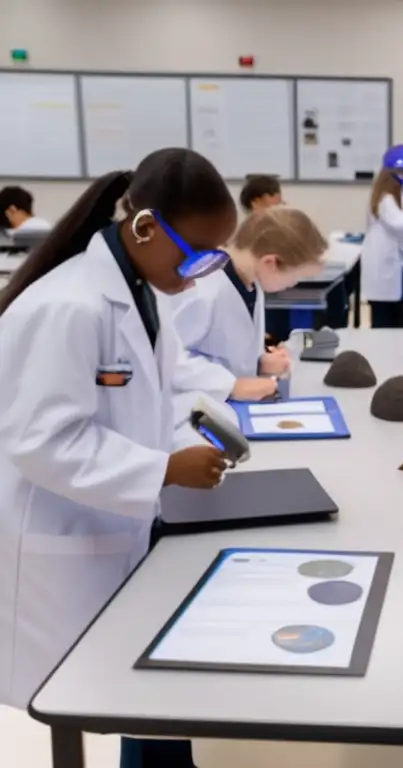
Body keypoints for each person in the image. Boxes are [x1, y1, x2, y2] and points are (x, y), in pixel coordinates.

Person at [0, 148, 238, 768]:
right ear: (145, 227)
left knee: (140, 691)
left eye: (215, 259)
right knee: (81, 698)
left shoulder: (144, 291)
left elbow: (144, 401)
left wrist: (185, 441)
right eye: (196, 255)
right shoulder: (68, 307)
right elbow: (41, 441)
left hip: (117, 521)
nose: (200, 272)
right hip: (61, 535)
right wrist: (162, 469)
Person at [172, 207, 328, 408]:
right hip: (192, 410)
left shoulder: (251, 281)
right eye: (295, 276)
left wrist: (258, 362)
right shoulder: (204, 288)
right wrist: (232, 385)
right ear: (270, 262)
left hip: (230, 404)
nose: (294, 284)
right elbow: (169, 358)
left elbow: (223, 348)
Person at [361, 144, 403, 328]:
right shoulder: (385, 198)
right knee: (385, 325)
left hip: (399, 269)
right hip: (385, 273)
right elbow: (402, 226)